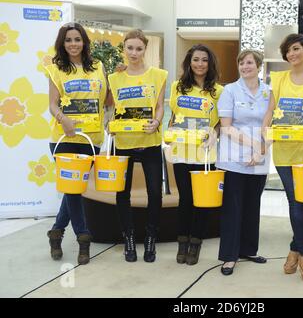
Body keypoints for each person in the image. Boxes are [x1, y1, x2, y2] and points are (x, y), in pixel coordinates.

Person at [262, 33, 303, 282]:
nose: (292, 54)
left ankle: (294, 249)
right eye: (288, 51)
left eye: (296, 49)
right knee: (294, 199)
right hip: (283, 150)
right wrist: (264, 134)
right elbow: (270, 111)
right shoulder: (277, 79)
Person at [46, 22, 109, 265]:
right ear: (62, 44)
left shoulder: (98, 66)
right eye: (68, 40)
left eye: (77, 39)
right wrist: (64, 120)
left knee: (75, 187)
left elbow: (107, 99)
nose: (73, 44)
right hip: (65, 138)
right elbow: (52, 104)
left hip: (91, 138)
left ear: (84, 42)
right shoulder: (56, 69)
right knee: (74, 189)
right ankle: (84, 238)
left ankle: (56, 232)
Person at [107, 29, 168, 263]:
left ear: (145, 49)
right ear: (124, 48)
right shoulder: (115, 78)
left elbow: (160, 105)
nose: (134, 53)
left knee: (155, 193)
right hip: (123, 141)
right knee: (122, 193)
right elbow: (109, 106)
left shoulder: (159, 75)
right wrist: (109, 124)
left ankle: (151, 237)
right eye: (130, 48)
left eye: (139, 48)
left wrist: (157, 121)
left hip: (150, 141)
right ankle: (129, 238)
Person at [166, 44, 223, 265]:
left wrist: (214, 135)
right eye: (196, 59)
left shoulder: (218, 91)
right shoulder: (177, 87)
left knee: (202, 201)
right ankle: (182, 242)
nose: (200, 64)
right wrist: (170, 132)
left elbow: (219, 122)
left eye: (204, 60)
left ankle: (196, 243)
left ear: (210, 64)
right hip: (181, 152)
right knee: (185, 200)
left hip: (205, 155)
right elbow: (173, 116)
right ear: (189, 63)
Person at [216, 50, 270, 276]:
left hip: (259, 158)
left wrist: (262, 150)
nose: (245, 66)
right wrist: (254, 145)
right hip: (233, 157)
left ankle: (248, 249)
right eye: (241, 62)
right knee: (233, 208)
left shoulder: (268, 92)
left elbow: (269, 124)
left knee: (252, 205)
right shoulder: (229, 90)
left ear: (259, 66)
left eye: (249, 62)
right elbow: (226, 126)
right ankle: (229, 256)